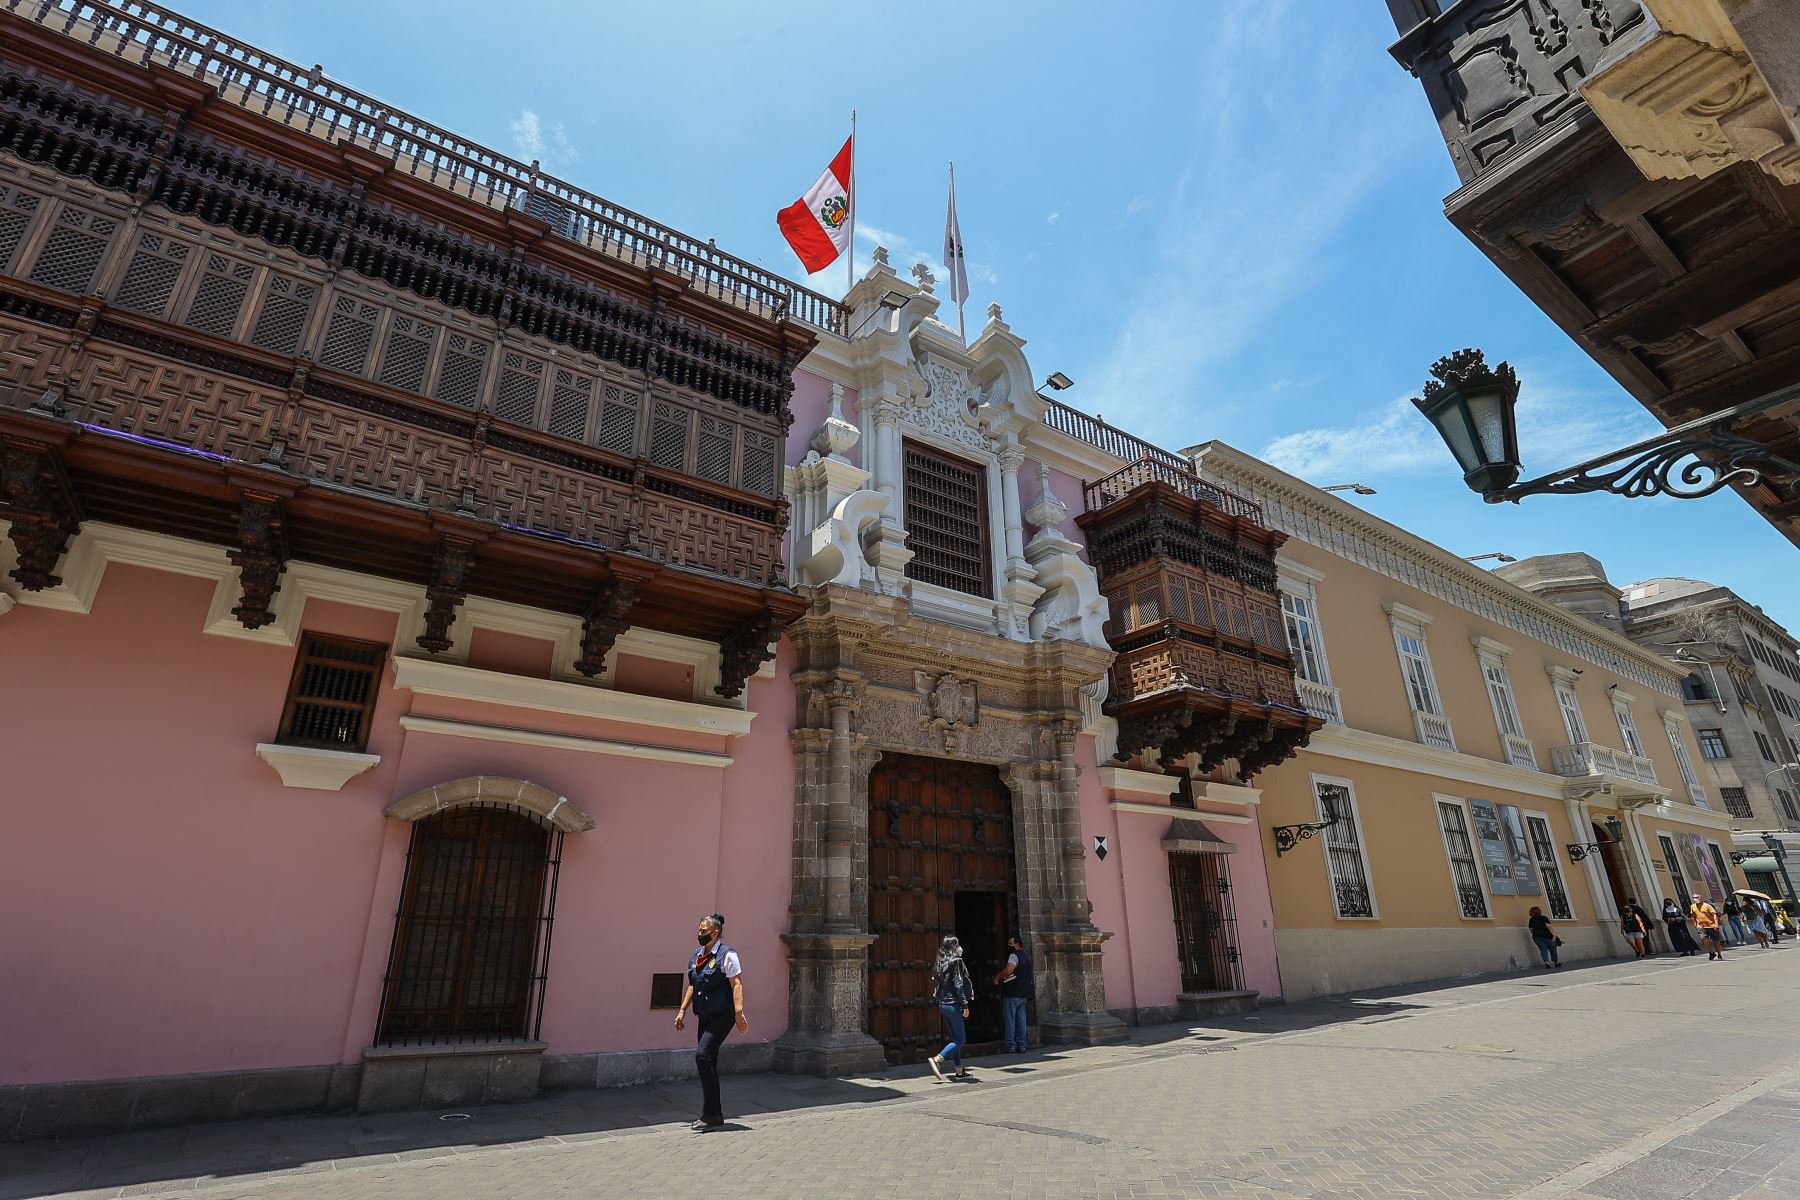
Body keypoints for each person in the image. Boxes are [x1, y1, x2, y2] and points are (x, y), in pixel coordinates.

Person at [673, 913, 747, 1132]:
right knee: (708, 1062)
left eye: (704, 931)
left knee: (702, 1055)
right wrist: (682, 1011)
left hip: (723, 1015)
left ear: (716, 932)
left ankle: (712, 1112)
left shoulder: (727, 955)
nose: (700, 934)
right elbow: (692, 986)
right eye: (698, 930)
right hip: (704, 1014)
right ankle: (713, 1113)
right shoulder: (696, 956)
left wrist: (739, 1013)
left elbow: (737, 984)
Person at [926, 935, 975, 1082]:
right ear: (954, 947)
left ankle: (959, 1071)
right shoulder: (956, 961)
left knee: (954, 1039)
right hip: (953, 1004)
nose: (960, 947)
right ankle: (938, 1059)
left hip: (943, 1005)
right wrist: (965, 1004)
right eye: (958, 944)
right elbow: (959, 984)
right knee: (960, 1040)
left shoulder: (941, 962)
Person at [992, 934, 1034, 1053]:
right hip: (1024, 993)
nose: (1008, 945)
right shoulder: (1026, 956)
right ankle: (1022, 1044)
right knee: (1021, 1018)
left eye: (1010, 943)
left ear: (1016, 944)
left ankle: (1010, 1044)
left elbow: (1009, 970)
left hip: (1013, 992)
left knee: (1010, 1018)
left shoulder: (1013, 955)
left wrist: (997, 977)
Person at [1689, 893, 1724, 961]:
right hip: (1701, 926)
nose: (1695, 899)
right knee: (1704, 939)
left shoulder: (1707, 906)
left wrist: (1716, 924)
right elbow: (1694, 916)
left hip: (1711, 926)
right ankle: (1711, 952)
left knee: (1716, 941)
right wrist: (1696, 924)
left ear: (1700, 898)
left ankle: (1719, 954)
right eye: (1694, 897)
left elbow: (1714, 915)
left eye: (1696, 897)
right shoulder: (1692, 906)